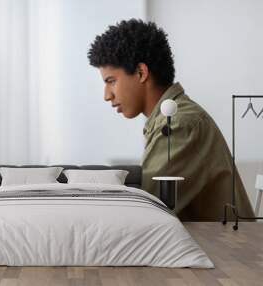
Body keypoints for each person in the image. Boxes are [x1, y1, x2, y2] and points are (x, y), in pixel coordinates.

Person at [87, 19, 254, 221]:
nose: (107, 95)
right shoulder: (171, 118)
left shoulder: (180, 123)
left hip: (221, 250)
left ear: (141, 73)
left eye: (111, 81)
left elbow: (146, 210)